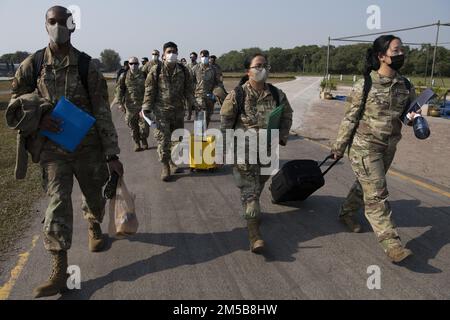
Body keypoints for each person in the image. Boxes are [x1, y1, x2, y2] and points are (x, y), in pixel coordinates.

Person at [9, 6, 123, 298]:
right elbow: (15, 103)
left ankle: (93, 222)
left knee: (95, 196)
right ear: (45, 25)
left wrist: (112, 154)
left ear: (73, 26)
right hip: (52, 149)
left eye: (64, 21)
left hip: (88, 148)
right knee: (58, 203)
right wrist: (38, 115)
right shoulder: (32, 65)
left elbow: (102, 111)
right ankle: (60, 270)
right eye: (53, 21)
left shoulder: (87, 66)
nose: (58, 25)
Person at [331, 35, 418, 263]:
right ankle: (392, 244)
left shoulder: (406, 85)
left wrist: (416, 120)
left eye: (402, 50)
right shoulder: (365, 85)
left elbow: (407, 115)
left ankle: (347, 212)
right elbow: (350, 118)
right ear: (381, 56)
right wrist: (339, 146)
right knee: (377, 194)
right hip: (365, 147)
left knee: (366, 186)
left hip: (389, 147)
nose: (401, 54)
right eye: (396, 51)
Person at [220, 53, 293, 254]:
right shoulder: (237, 95)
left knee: (261, 182)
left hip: (268, 151)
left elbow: (287, 115)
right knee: (250, 192)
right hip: (244, 150)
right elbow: (225, 123)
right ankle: (255, 236)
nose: (262, 69)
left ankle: (253, 207)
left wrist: (282, 136)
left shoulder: (278, 94)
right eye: (258, 65)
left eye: (265, 65)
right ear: (248, 71)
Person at [143, 42, 198, 181]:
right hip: (161, 112)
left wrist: (194, 103)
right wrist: (146, 109)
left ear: (178, 54)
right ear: (163, 55)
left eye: (174, 51)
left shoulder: (184, 70)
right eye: (169, 51)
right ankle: (165, 166)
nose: (171, 54)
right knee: (163, 140)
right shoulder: (155, 70)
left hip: (178, 111)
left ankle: (173, 161)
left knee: (177, 139)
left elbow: (188, 91)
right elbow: (149, 91)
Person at [116, 57, 149, 152]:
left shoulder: (144, 74)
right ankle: (137, 143)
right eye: (131, 63)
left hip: (143, 105)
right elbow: (119, 90)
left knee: (145, 127)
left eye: (135, 63)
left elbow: (150, 88)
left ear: (138, 64)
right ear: (128, 64)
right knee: (133, 126)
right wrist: (120, 103)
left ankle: (144, 139)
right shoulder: (124, 76)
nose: (133, 65)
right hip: (130, 107)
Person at [192, 49, 225, 127]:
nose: (204, 58)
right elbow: (190, 82)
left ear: (209, 57)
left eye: (206, 56)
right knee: (200, 114)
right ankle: (199, 135)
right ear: (200, 57)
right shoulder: (195, 68)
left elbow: (219, 82)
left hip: (210, 96)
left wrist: (218, 93)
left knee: (208, 116)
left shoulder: (214, 69)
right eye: (203, 56)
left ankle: (203, 131)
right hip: (198, 96)